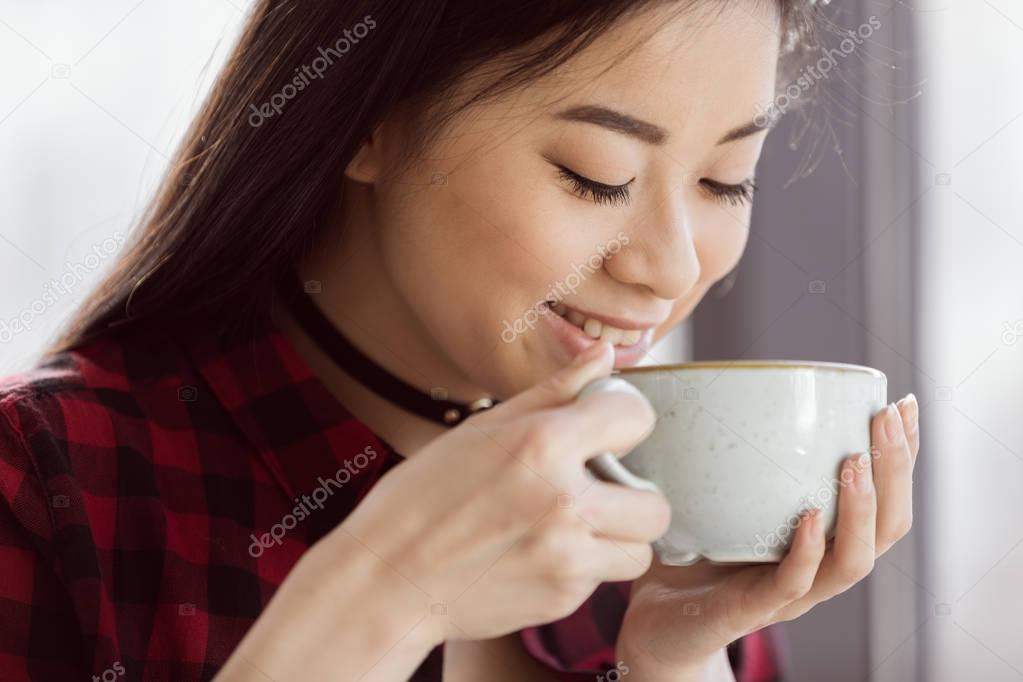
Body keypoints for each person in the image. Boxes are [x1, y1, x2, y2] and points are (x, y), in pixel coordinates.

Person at [0, 1, 921, 680]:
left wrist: (678, 664)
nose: (672, 268)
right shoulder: (44, 485)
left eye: (726, 181)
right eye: (595, 177)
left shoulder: (662, 525)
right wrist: (376, 604)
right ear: (363, 120)